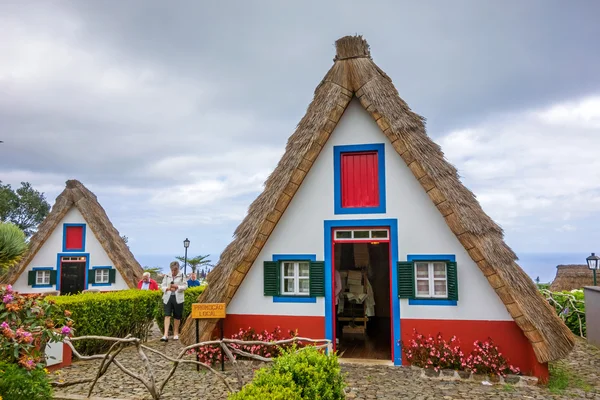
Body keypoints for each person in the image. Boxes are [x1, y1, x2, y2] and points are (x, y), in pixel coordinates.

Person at [160, 261, 188, 342]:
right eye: (172, 270)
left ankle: (176, 333)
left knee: (177, 316)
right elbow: (162, 286)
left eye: (175, 270)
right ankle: (165, 335)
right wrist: (168, 288)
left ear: (178, 269)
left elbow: (185, 286)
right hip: (168, 297)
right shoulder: (167, 276)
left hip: (178, 298)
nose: (173, 272)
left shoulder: (182, 275)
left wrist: (177, 287)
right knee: (167, 315)